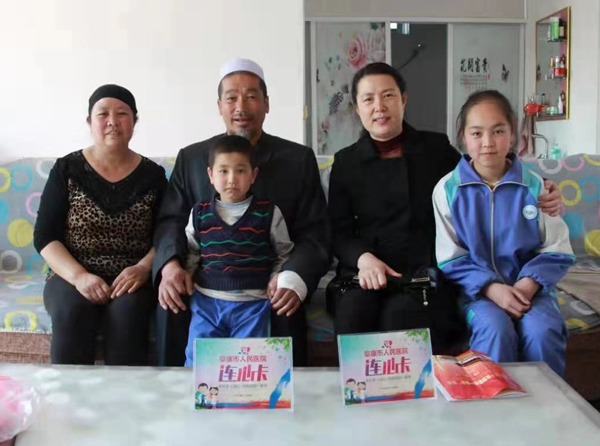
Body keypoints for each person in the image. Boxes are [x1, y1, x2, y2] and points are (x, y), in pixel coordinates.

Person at [327, 62, 562, 352]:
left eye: (388, 95)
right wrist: (363, 259)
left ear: (403, 99)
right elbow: (338, 229)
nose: (379, 107)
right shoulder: (346, 162)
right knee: (353, 313)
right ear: (357, 108)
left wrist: (542, 186)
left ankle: (417, 384)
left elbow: (482, 172)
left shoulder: (435, 148)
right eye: (368, 99)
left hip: (423, 272)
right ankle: (356, 383)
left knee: (402, 318)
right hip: (365, 271)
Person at [153, 58, 330, 366]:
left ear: (266, 104)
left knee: (285, 303)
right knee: (172, 300)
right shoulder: (192, 158)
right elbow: (171, 220)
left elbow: (315, 231)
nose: (241, 107)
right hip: (206, 282)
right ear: (219, 106)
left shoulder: (298, 159)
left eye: (251, 96)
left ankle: (275, 393)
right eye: (231, 98)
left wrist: (293, 276)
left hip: (267, 282)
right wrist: (169, 265)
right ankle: (174, 391)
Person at [432, 90, 574, 376]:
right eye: (477, 133)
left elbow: (557, 248)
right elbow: (450, 257)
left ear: (512, 134)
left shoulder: (536, 187)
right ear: (463, 136)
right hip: (478, 293)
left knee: (542, 330)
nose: (487, 143)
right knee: (495, 330)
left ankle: (547, 402)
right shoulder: (448, 190)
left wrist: (527, 286)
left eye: (498, 131)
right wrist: (491, 288)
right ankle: (494, 403)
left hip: (532, 290)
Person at [33, 84, 167, 365]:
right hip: (70, 274)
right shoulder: (66, 169)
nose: (112, 121)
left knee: (128, 315)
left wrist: (143, 268)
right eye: (103, 113)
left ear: (134, 121)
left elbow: (166, 234)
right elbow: (45, 236)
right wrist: (80, 276)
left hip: (131, 277)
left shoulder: (153, 176)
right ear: (90, 122)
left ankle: (123, 394)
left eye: (122, 113)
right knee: (72, 311)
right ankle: (69, 393)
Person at [183, 135, 294, 366]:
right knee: (199, 361)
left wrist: (277, 277)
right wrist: (186, 275)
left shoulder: (268, 213)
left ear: (253, 175)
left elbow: (283, 252)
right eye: (223, 171)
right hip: (206, 303)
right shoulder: (199, 213)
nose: (232, 179)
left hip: (253, 305)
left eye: (240, 171)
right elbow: (192, 251)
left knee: (250, 363)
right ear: (210, 175)